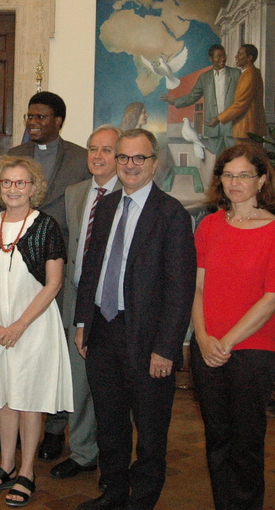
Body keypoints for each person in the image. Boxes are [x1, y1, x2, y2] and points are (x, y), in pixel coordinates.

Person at [73, 128, 196, 510]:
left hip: (148, 339)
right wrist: (82, 323)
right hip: (103, 331)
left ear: (154, 163)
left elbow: (180, 288)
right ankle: (112, 494)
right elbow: (91, 267)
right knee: (110, 426)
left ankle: (141, 501)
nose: (129, 165)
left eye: (138, 158)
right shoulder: (107, 205)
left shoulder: (172, 213)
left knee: (150, 432)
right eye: (123, 157)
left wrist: (166, 348)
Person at [0, 155, 71, 507]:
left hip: (33, 325)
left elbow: (53, 283)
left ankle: (27, 471)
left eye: (21, 182)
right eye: (7, 182)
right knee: (5, 395)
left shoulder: (47, 226)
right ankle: (6, 465)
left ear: (33, 187)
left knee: (29, 397)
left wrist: (20, 325)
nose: (13, 189)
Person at [190, 143, 275, 510]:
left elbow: (272, 298)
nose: (235, 183)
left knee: (247, 443)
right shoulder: (209, 225)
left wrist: (227, 342)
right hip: (207, 347)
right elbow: (198, 286)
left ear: (262, 179)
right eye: (228, 175)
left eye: (244, 175)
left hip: (253, 351)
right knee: (217, 438)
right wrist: (202, 337)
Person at [7, 91, 89, 461]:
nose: (33, 123)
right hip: (18, 270)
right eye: (29, 116)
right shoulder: (14, 158)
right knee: (21, 348)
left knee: (55, 350)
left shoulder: (81, 159)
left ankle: (55, 428)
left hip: (61, 270)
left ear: (59, 120)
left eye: (41, 117)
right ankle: (21, 427)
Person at [51, 125, 120, 482]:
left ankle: (114, 457)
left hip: (113, 304)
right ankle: (82, 452)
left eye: (106, 150)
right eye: (93, 149)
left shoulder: (129, 194)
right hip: (75, 299)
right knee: (76, 382)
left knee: (109, 388)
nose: (97, 156)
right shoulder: (74, 192)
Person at [161, 44, 241, 155]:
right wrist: (175, 101)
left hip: (232, 126)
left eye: (224, 56)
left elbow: (242, 100)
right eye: (218, 56)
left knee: (236, 158)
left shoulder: (236, 74)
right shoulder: (204, 77)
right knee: (217, 162)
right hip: (213, 127)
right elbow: (193, 96)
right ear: (211, 59)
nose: (222, 59)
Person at [206, 44, 268, 141]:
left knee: (245, 156)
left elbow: (240, 104)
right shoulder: (248, 74)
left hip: (247, 129)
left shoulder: (249, 76)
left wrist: (218, 119)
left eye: (240, 54)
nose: (236, 57)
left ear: (249, 58)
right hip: (247, 129)